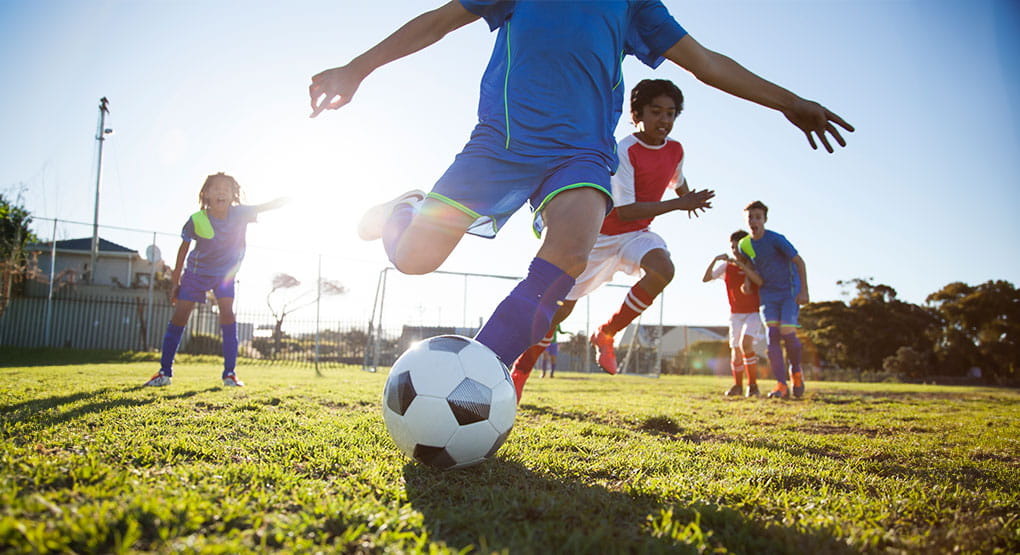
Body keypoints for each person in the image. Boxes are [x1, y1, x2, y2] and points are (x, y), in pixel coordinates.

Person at [308, 1, 852, 383]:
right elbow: (439, 21)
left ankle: (479, 372)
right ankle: (407, 209)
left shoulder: (636, 3)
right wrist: (357, 68)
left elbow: (707, 63)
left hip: (581, 152)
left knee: (568, 253)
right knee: (414, 260)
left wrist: (788, 101)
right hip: (500, 142)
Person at [509, 78, 714, 401]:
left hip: (635, 235)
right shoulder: (625, 150)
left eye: (671, 113)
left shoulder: (676, 150)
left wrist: (690, 198)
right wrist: (680, 204)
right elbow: (628, 210)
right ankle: (521, 371)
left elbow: (678, 180)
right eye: (656, 112)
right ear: (637, 115)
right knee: (559, 312)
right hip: (600, 235)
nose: (664, 120)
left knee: (663, 269)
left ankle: (607, 334)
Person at [143, 172, 288, 387]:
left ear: (233, 195)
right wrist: (176, 281)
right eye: (216, 188)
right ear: (206, 194)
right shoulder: (197, 219)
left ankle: (229, 374)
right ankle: (164, 372)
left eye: (226, 188)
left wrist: (287, 199)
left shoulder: (240, 213)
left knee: (228, 315)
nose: (221, 191)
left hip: (225, 275)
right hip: (196, 273)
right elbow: (183, 250)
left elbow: (266, 206)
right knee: (180, 316)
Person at [739, 200, 808, 399]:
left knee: (787, 331)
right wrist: (747, 282)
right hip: (768, 294)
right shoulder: (745, 244)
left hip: (789, 291)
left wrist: (804, 291)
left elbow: (799, 262)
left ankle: (796, 372)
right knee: (772, 336)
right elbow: (749, 264)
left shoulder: (777, 240)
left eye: (758, 217)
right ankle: (781, 384)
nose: (754, 221)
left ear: (765, 220)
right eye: (750, 217)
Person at [703, 230, 765, 397]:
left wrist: (745, 270)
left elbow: (759, 282)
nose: (735, 251)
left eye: (738, 247)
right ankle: (737, 385)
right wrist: (715, 260)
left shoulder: (755, 265)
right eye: (733, 248)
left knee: (746, 344)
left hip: (753, 312)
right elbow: (706, 278)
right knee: (736, 349)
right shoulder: (727, 267)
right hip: (735, 314)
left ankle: (752, 385)